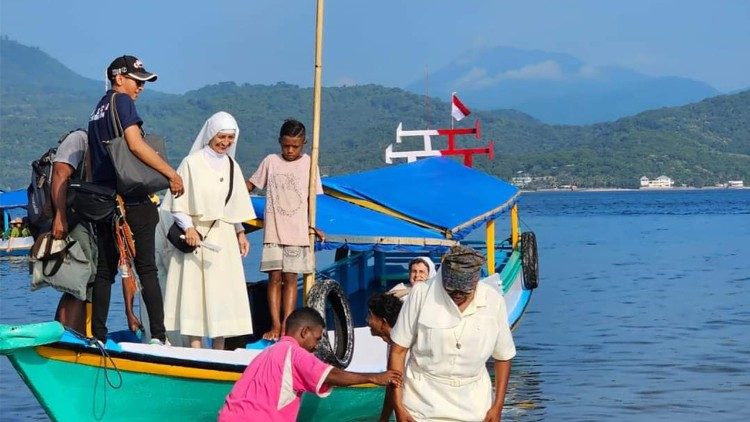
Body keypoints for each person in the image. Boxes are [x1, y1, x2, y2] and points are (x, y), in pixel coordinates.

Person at [87, 55, 184, 344]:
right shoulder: (122, 102)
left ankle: (99, 337)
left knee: (104, 272)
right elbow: (135, 142)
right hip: (131, 199)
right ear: (119, 78)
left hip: (105, 200)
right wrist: (171, 174)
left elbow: (93, 160)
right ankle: (158, 336)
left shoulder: (97, 109)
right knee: (147, 269)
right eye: (137, 80)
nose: (140, 87)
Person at [388, 245, 516, 422]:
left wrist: (498, 406)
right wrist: (398, 405)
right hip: (420, 404)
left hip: (475, 406)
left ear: (475, 282)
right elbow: (398, 351)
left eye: (464, 291)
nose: (457, 294)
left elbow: (503, 356)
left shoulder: (493, 301)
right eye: (451, 289)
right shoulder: (421, 294)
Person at [161, 111, 254, 349]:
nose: (225, 142)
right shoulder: (191, 163)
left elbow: (232, 206)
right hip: (197, 236)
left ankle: (219, 349)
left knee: (221, 293)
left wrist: (240, 233)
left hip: (223, 238)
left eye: (230, 138)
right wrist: (189, 228)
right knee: (195, 292)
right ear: (211, 135)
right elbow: (177, 203)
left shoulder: (233, 166)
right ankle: (195, 347)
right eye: (221, 136)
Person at [218, 307, 403, 422]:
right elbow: (332, 375)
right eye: (316, 338)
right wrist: (374, 377)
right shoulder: (294, 353)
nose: (316, 346)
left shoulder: (265, 354)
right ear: (305, 331)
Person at [246, 119, 324, 340]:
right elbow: (250, 186)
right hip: (274, 232)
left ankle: (286, 327)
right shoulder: (271, 161)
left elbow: (312, 200)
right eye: (286, 146)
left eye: (295, 146)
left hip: (297, 232)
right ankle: (275, 324)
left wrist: (313, 225)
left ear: (304, 144)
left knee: (290, 279)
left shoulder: (310, 163)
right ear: (280, 142)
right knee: (274, 278)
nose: (290, 150)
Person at [49, 129, 96, 333]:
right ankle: (66, 335)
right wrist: (60, 217)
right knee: (78, 280)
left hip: (89, 222)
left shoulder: (106, 145)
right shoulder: (80, 139)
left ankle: (80, 334)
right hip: (73, 219)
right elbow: (60, 173)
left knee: (90, 280)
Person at [366, 293, 405, 422]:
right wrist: (383, 419)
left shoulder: (404, 348)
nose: (367, 320)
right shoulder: (392, 344)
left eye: (370, 316)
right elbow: (392, 385)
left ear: (383, 322)